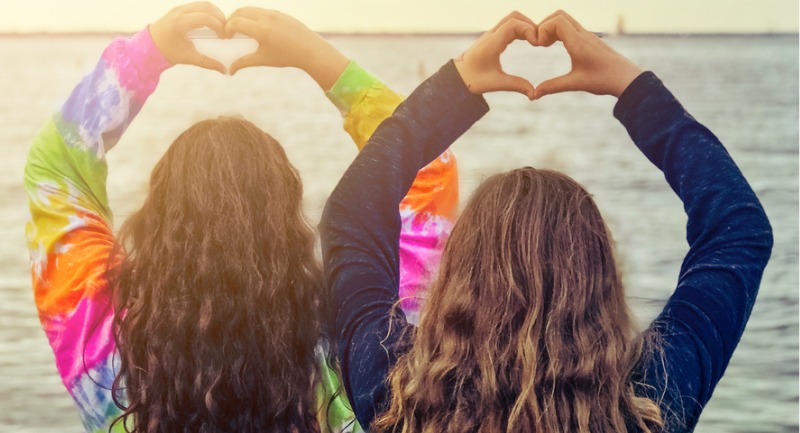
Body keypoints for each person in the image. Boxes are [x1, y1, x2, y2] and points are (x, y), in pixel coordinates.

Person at [320, 10, 773, 433]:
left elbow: (351, 216)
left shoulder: (397, 391)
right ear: (598, 278)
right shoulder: (649, 402)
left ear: (460, 271)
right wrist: (631, 88)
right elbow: (738, 231)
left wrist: (455, 85)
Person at [24, 3, 457, 432]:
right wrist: (315, 58)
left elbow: (55, 167)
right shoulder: (357, 343)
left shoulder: (102, 338)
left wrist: (146, 55)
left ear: (158, 221)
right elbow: (427, 170)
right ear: (285, 225)